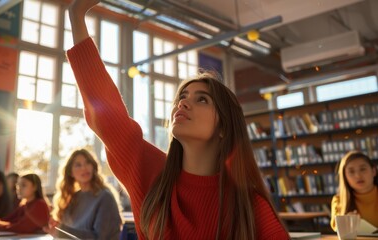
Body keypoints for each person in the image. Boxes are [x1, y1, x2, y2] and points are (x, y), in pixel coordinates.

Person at [66, 1, 289, 239]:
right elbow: (108, 115)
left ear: (224, 126)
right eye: (182, 96)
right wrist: (77, 14)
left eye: (202, 99)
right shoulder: (150, 172)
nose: (182, 103)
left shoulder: (249, 206)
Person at [44, 149, 122, 239]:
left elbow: (99, 238)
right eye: (78, 165)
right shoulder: (72, 198)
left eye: (88, 163)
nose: (84, 168)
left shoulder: (105, 197)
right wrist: (55, 227)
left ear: (93, 167)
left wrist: (62, 231)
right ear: (71, 173)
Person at [330, 151, 378, 231]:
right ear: (345, 177)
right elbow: (337, 228)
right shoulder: (339, 200)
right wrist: (345, 222)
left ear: (373, 171)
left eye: (363, 169)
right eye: (351, 172)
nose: (358, 176)